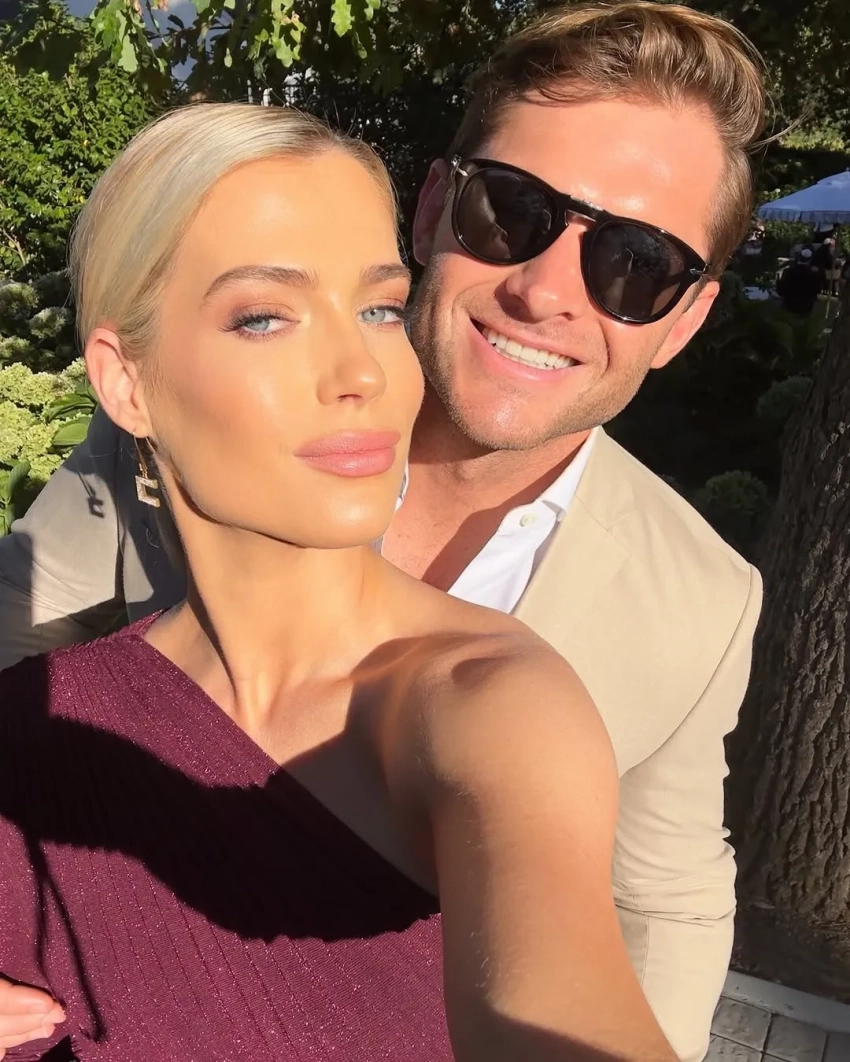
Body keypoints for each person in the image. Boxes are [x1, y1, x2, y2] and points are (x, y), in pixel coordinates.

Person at [0, 4, 766, 1059]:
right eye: (513, 212)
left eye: (637, 264)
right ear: (438, 206)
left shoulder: (696, 605)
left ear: (683, 320)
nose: (544, 291)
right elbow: (20, 646)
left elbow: (666, 905)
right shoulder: (179, 433)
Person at [776, 249, 823, 316]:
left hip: (788, 306)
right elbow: (818, 290)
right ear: (810, 260)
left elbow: (780, 291)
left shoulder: (788, 272)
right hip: (806, 308)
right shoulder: (815, 275)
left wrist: (778, 281)